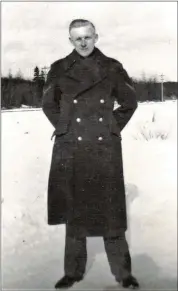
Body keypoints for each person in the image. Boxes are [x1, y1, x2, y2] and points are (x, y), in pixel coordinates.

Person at [42, 19, 139, 289]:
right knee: (74, 211)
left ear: (96, 36)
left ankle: (123, 274)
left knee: (111, 213)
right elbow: (48, 105)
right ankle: (73, 272)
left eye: (87, 37)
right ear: (70, 41)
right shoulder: (59, 69)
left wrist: (111, 127)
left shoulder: (112, 67)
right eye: (77, 39)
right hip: (72, 146)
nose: (83, 43)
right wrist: (66, 128)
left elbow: (130, 102)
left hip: (103, 147)